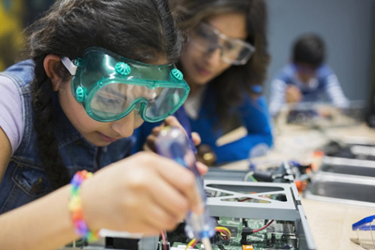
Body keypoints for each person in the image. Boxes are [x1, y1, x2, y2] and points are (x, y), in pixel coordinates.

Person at [0, 1, 206, 249]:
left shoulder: (117, 123)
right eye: (109, 99)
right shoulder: (8, 104)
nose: (126, 130)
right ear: (57, 70)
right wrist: (86, 205)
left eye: (146, 102)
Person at [134, 0, 273, 164]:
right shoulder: (145, 77)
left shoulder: (236, 78)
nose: (212, 61)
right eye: (205, 34)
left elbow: (263, 136)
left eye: (231, 46)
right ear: (181, 20)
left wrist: (209, 155)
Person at [269, 34, 349, 117]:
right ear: (292, 62)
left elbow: (342, 104)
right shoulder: (283, 79)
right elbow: (272, 112)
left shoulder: (324, 74)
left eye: (312, 70)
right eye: (302, 69)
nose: (307, 74)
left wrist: (331, 111)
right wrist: (287, 105)